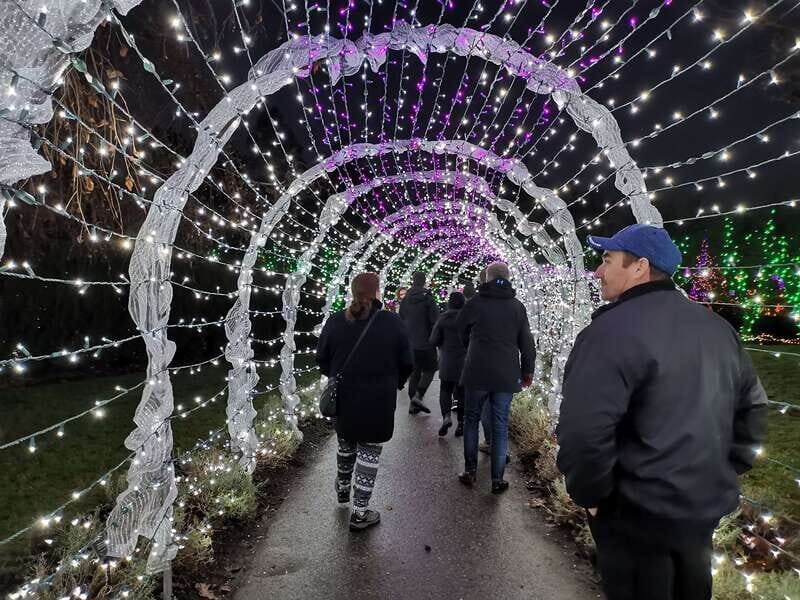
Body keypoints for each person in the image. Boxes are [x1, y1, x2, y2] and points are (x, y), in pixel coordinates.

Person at [555, 224, 768, 600]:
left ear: (639, 266)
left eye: (607, 260)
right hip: (700, 511)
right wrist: (721, 472)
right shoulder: (718, 329)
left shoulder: (611, 332)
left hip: (634, 513)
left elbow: (584, 431)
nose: (598, 272)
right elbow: (752, 410)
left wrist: (591, 494)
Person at [316, 272, 413, 531]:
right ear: (378, 292)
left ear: (353, 291)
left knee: (346, 443)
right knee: (369, 455)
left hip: (345, 399)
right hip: (378, 400)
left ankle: (343, 490)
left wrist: (336, 374)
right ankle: (360, 512)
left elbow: (321, 359)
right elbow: (407, 362)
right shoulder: (392, 323)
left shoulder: (336, 321)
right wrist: (397, 381)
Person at [456, 262, 535, 493]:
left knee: (471, 419)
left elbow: (459, 328)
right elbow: (527, 344)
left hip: (477, 371)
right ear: (509, 278)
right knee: (500, 425)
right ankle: (497, 479)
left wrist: (470, 346)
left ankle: (470, 471)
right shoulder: (517, 307)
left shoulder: (475, 303)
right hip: (506, 374)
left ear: (486, 279)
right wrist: (527, 371)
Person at [398, 271, 439, 414]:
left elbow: (401, 318)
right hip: (426, 342)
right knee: (430, 369)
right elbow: (435, 320)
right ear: (424, 281)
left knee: (415, 371)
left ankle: (412, 403)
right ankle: (418, 395)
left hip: (410, 343)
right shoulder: (428, 298)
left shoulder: (405, 299)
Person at [429, 291, 467, 437]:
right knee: (463, 392)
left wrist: (442, 345)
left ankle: (446, 417)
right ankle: (461, 424)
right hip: (464, 361)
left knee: (445, 390)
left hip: (447, 360)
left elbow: (433, 340)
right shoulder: (468, 319)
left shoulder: (443, 318)